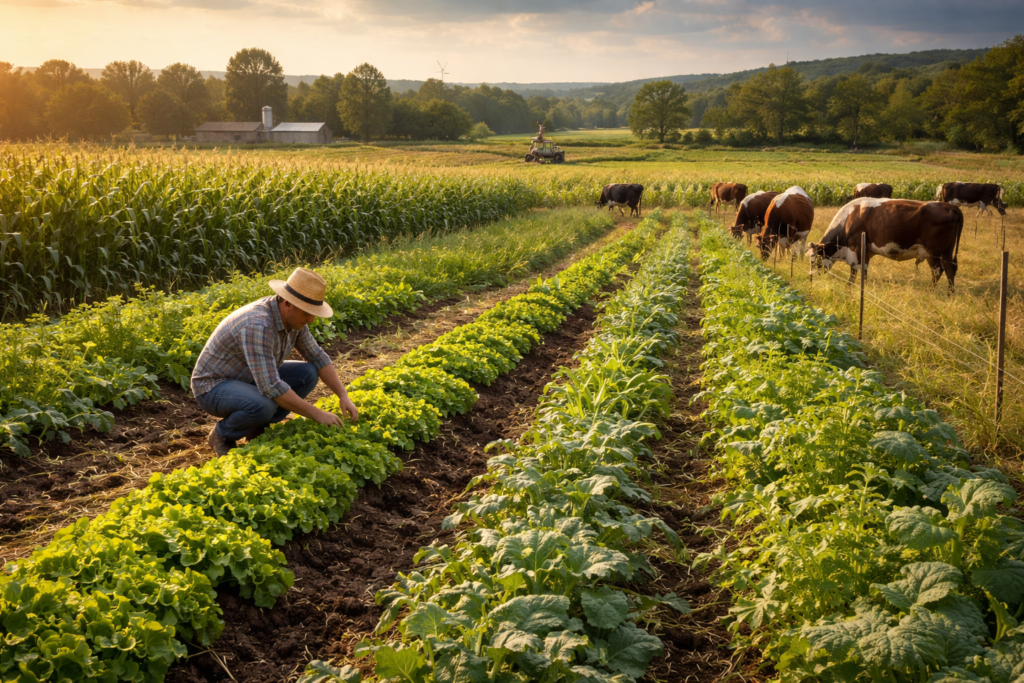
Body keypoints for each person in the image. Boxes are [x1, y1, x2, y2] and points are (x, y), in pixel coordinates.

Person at [191, 267, 359, 455]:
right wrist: (317, 414)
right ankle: (222, 435)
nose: (311, 319)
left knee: (308, 373)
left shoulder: (295, 321)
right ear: (288, 303)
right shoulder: (258, 324)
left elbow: (317, 356)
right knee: (264, 405)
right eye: (307, 313)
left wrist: (343, 395)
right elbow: (270, 385)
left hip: (248, 378)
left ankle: (257, 428)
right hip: (214, 386)